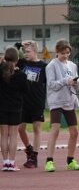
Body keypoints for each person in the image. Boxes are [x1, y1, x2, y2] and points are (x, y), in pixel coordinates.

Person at [43, 39, 79, 173]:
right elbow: (52, 85)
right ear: (57, 52)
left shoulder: (72, 65)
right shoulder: (51, 66)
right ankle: (49, 160)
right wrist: (66, 81)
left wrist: (76, 83)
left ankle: (70, 160)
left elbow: (78, 84)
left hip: (69, 100)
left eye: (67, 53)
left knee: (75, 131)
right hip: (56, 101)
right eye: (62, 53)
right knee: (55, 129)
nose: (65, 55)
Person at [17, 40, 47, 169]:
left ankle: (34, 156)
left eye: (28, 52)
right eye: (24, 52)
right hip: (23, 101)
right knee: (20, 128)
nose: (26, 54)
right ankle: (28, 148)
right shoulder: (22, 63)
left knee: (36, 128)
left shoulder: (43, 66)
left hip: (37, 101)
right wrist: (19, 44)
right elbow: (8, 57)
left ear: (35, 51)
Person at [1, 47, 28, 171]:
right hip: (16, 107)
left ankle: (5, 162)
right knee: (13, 135)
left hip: (1, 107)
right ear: (17, 60)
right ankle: (12, 162)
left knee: (3, 135)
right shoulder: (21, 75)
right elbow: (25, 91)